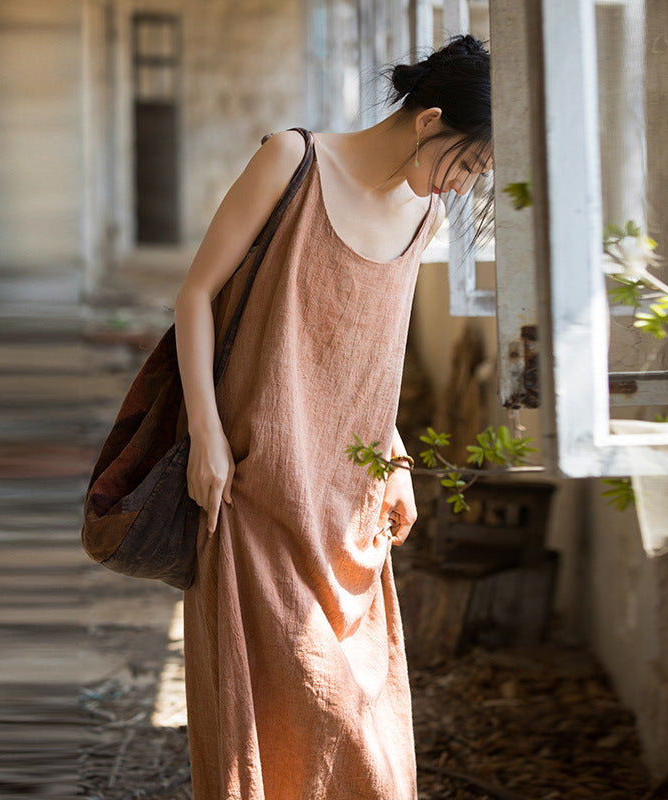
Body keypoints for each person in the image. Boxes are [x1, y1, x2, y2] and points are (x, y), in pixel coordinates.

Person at [173, 33, 492, 800]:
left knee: (363, 734)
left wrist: (400, 459)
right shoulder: (294, 161)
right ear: (431, 119)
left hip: (349, 506)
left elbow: (369, 353)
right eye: (469, 163)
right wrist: (208, 439)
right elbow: (195, 298)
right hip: (254, 487)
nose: (462, 186)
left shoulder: (423, 222)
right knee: (269, 725)